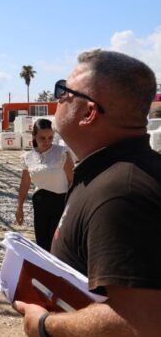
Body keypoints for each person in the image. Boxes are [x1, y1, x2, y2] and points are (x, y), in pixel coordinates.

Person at [14, 49, 161, 336]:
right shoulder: (116, 173)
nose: (57, 100)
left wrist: (45, 325)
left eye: (64, 92)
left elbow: (140, 323)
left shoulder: (120, 193)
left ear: (89, 112)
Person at [15, 118, 74, 251]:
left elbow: (72, 181)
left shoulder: (62, 153)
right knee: (42, 243)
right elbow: (24, 183)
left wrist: (73, 207)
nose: (47, 141)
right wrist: (20, 207)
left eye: (50, 137)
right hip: (40, 203)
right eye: (42, 138)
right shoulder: (27, 157)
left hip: (61, 202)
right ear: (34, 136)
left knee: (59, 244)